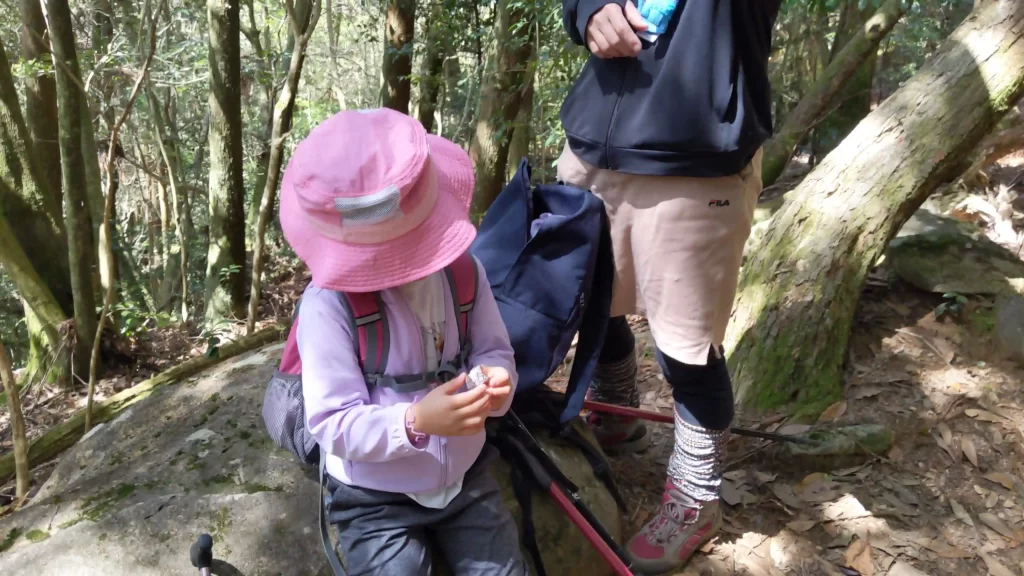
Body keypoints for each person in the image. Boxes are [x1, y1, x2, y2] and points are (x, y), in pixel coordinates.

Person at [557, 0, 781, 573]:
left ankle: (695, 495)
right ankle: (620, 411)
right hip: (593, 140)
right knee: (587, 304)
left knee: (687, 344)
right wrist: (587, 11)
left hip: (697, 159)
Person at [279, 108, 529, 576]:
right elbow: (332, 422)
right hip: (373, 496)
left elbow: (494, 349)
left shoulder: (462, 275)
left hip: (466, 477)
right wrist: (415, 421)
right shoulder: (328, 307)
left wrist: (498, 380)